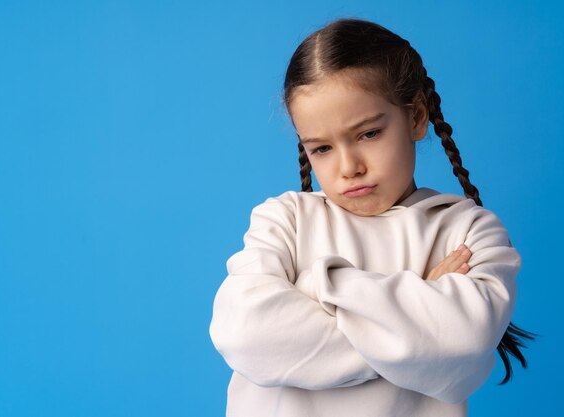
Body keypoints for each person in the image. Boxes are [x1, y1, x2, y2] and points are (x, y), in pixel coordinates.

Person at [209, 17, 535, 417]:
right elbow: (244, 335)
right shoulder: (284, 221)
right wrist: (416, 311)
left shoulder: (468, 232)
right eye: (322, 148)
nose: (349, 167)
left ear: (415, 118)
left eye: (368, 134)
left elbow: (465, 344)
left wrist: (314, 286)